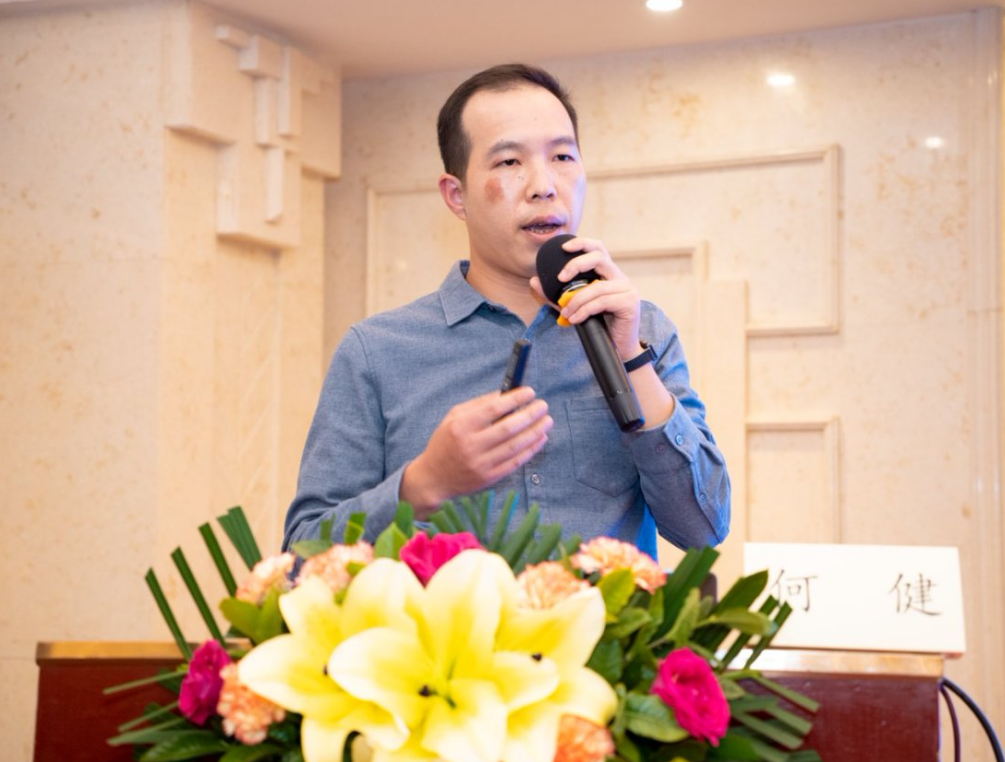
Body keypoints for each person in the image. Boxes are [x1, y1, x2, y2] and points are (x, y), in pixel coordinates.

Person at [284, 64, 730, 557]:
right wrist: (424, 482)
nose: (544, 185)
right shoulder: (377, 352)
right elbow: (302, 555)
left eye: (562, 156)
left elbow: (703, 529)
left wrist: (631, 360)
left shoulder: (643, 330)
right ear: (457, 195)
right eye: (509, 162)